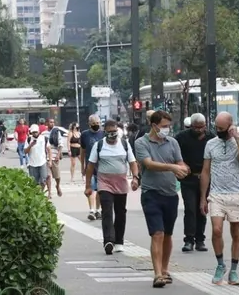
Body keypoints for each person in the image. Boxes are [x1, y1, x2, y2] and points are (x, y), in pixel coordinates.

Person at [134, 110, 188, 288]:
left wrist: (182, 168)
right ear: (154, 126)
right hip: (151, 194)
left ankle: (165, 269)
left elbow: (180, 162)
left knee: (168, 235)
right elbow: (148, 164)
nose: (167, 129)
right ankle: (157, 273)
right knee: (157, 233)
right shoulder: (141, 143)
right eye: (164, 126)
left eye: (169, 126)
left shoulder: (172, 142)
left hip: (171, 194)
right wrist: (172, 167)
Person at [200, 112, 239, 286]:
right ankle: (220, 265)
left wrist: (236, 138)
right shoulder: (210, 144)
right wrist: (203, 198)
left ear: (231, 126)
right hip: (216, 194)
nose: (218, 130)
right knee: (216, 230)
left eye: (221, 128)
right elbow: (205, 172)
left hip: (236, 194)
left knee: (236, 232)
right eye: (216, 127)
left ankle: (234, 270)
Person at [86, 120, 139, 254]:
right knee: (107, 211)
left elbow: (132, 162)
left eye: (114, 132)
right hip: (104, 183)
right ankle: (108, 241)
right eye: (109, 132)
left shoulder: (124, 144)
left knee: (121, 212)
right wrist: (88, 186)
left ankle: (119, 240)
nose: (112, 134)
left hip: (121, 183)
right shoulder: (99, 145)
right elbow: (91, 166)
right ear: (105, 132)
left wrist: (135, 178)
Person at [175, 113, 214, 253]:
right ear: (191, 126)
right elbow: (174, 153)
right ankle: (189, 239)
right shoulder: (181, 137)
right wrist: (181, 164)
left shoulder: (211, 137)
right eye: (195, 127)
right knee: (190, 208)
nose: (198, 130)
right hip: (188, 178)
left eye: (201, 127)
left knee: (201, 208)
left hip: (205, 178)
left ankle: (200, 240)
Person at [80, 115, 105, 220]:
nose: (96, 125)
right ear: (89, 124)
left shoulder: (103, 134)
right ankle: (91, 210)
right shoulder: (85, 135)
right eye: (94, 124)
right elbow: (82, 152)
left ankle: (98, 210)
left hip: (102, 166)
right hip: (90, 166)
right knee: (90, 188)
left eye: (98, 123)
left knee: (100, 190)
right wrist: (82, 166)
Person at [25, 124, 50, 193]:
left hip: (42, 162)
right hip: (32, 163)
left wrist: (49, 160)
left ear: (39, 131)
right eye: (33, 132)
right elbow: (25, 151)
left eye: (36, 132)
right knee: (34, 182)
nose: (35, 134)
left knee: (43, 180)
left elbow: (48, 149)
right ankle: (36, 194)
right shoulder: (29, 139)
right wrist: (30, 145)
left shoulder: (44, 138)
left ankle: (41, 193)